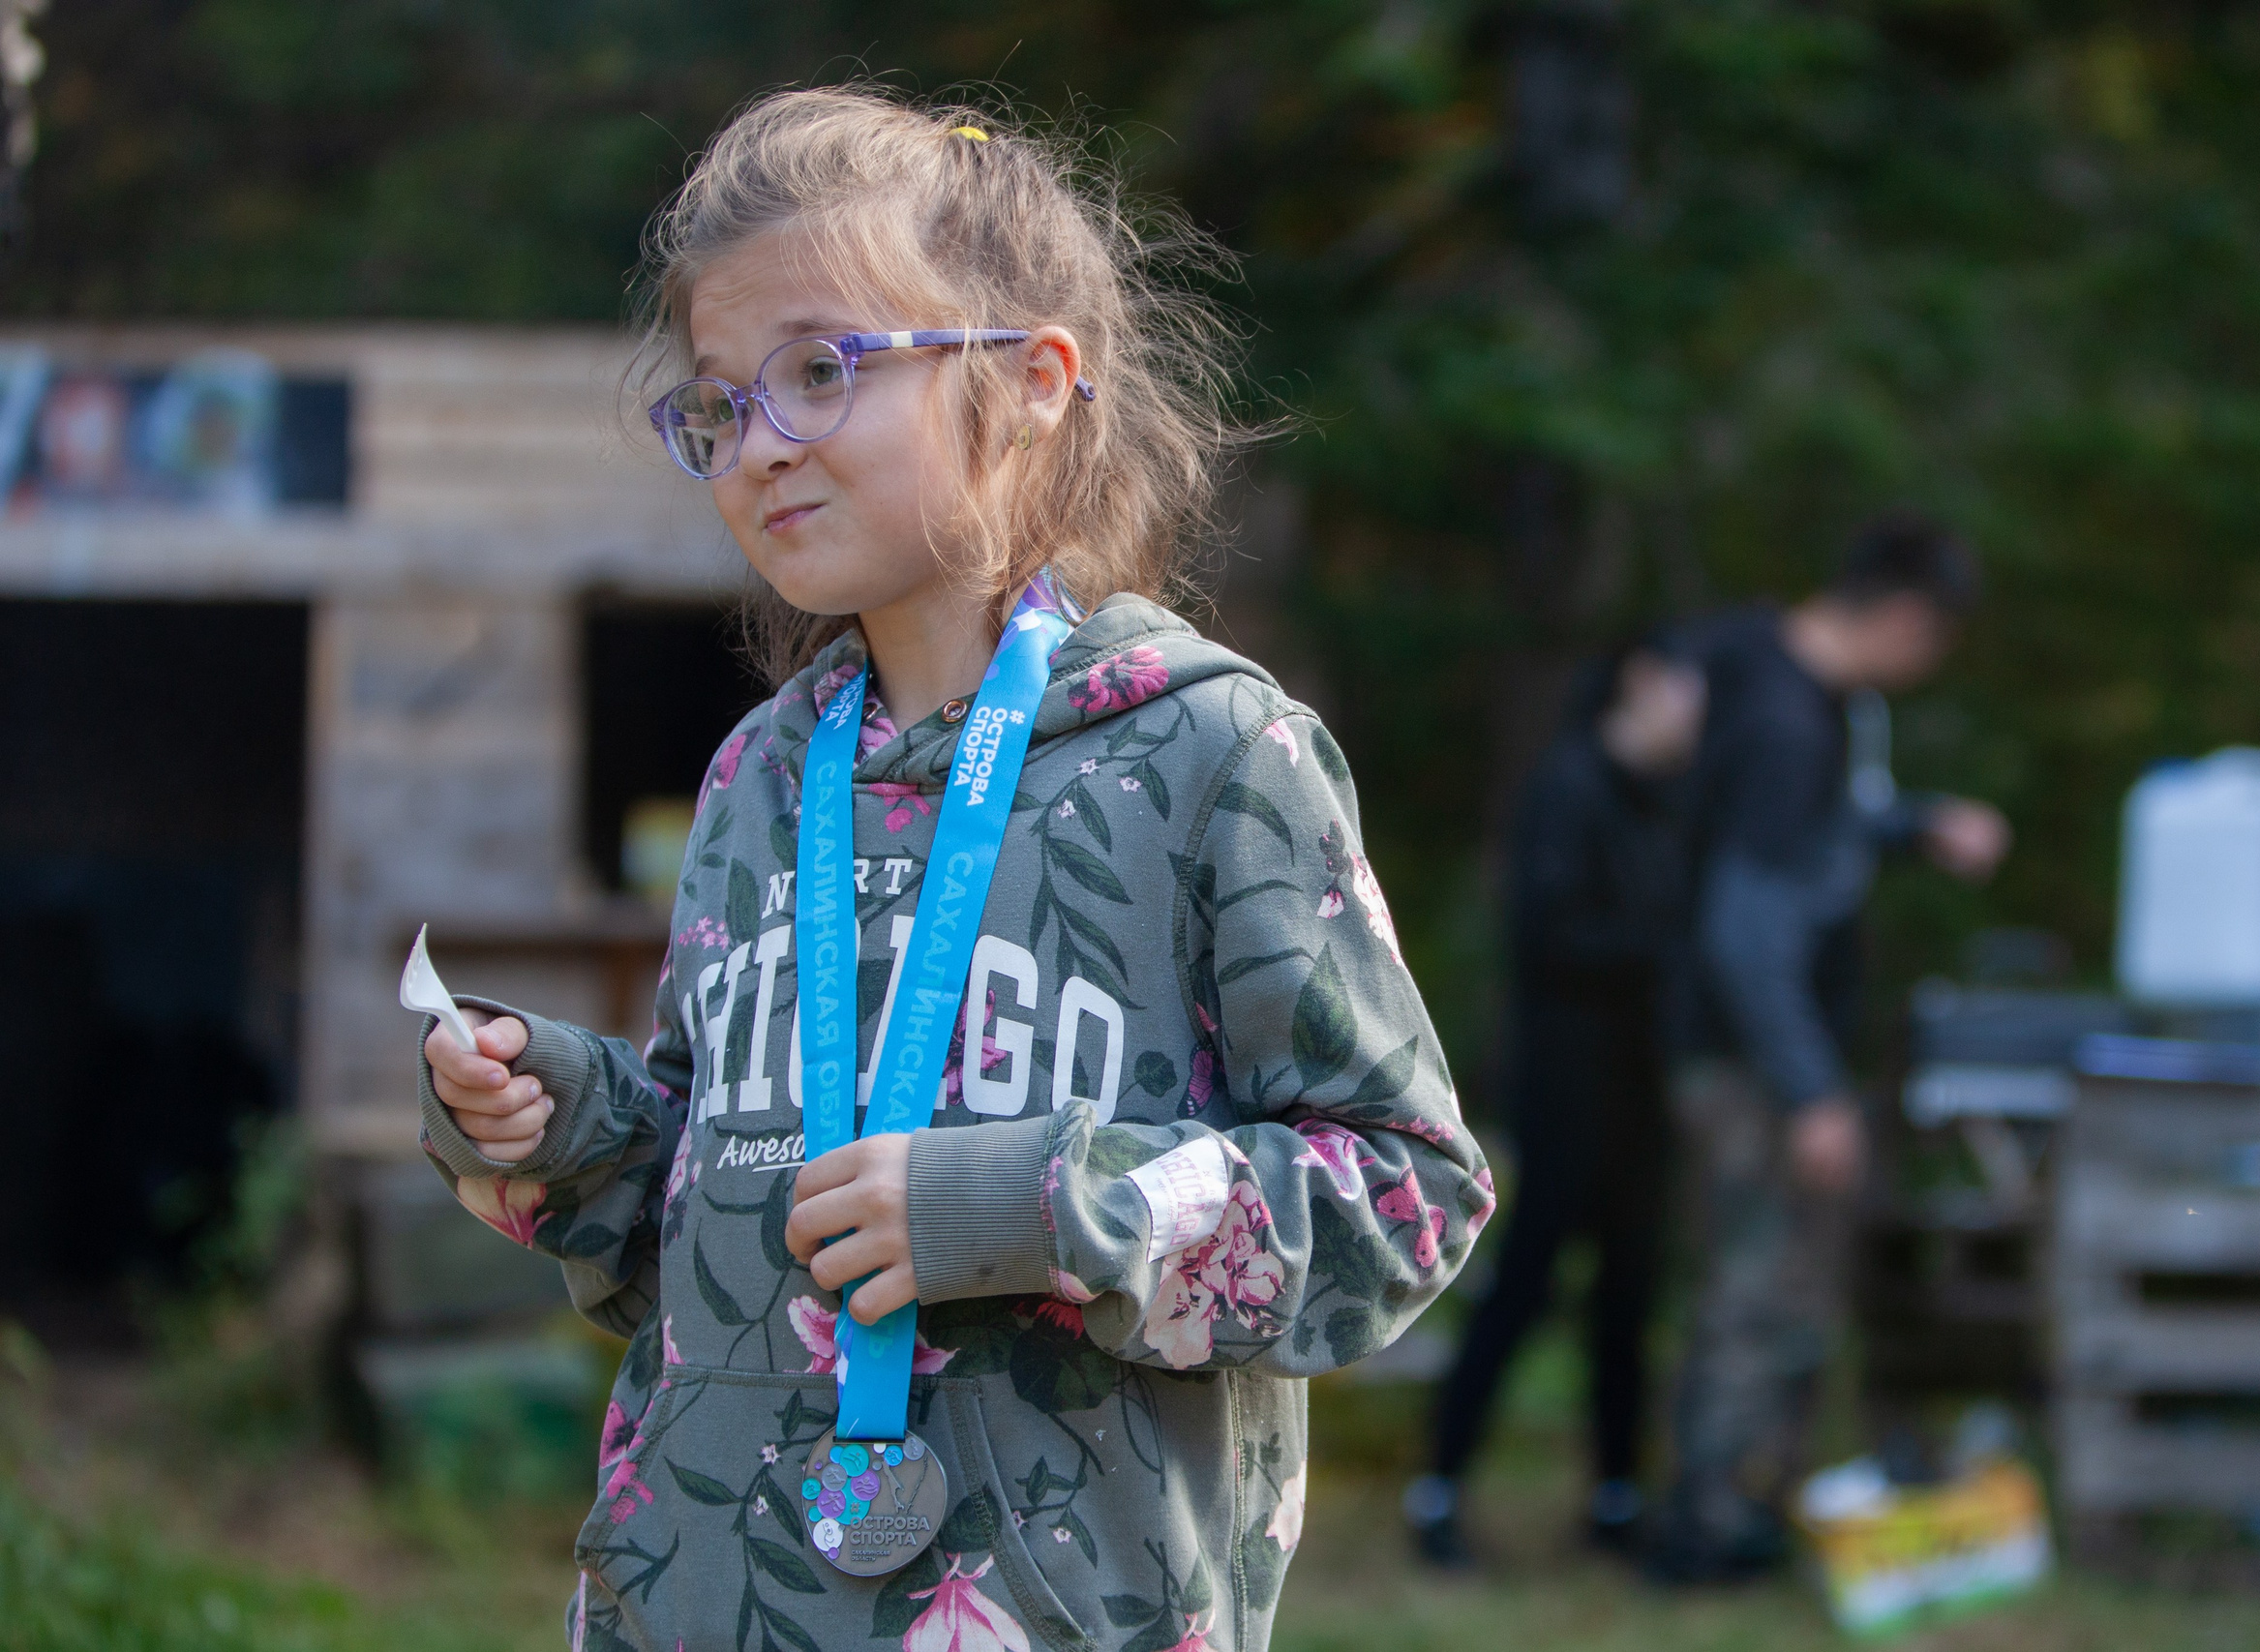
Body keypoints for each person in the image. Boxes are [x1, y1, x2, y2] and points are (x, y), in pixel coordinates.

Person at [412, 87, 1490, 1652]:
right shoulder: (760, 780)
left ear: (1036, 381)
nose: (756, 446)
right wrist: (561, 1120)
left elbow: (1404, 1198)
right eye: (719, 405)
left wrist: (1045, 1201)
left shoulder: (1214, 758)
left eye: (820, 372)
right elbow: (708, 1223)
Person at [1643, 511, 2009, 1583]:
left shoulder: (1766, 662)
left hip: (1755, 1053)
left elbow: (1809, 842)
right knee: (1758, 1293)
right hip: (1751, 1059)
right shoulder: (1785, 729)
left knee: (1772, 1286)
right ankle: (1704, 1533)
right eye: (1932, 641)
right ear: (1902, 619)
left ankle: (1738, 1511)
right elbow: (1745, 931)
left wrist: (1913, 825)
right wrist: (1811, 1092)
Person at [1405, 645, 1704, 1568]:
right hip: (1566, 1086)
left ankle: (1617, 1497)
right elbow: (1546, 930)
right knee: (1525, 1281)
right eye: (1692, 687)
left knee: (1629, 1290)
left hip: (1640, 1086)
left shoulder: (1659, 803)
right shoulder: (1569, 788)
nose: (1701, 710)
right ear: (1646, 681)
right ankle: (1440, 1489)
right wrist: (1669, 947)